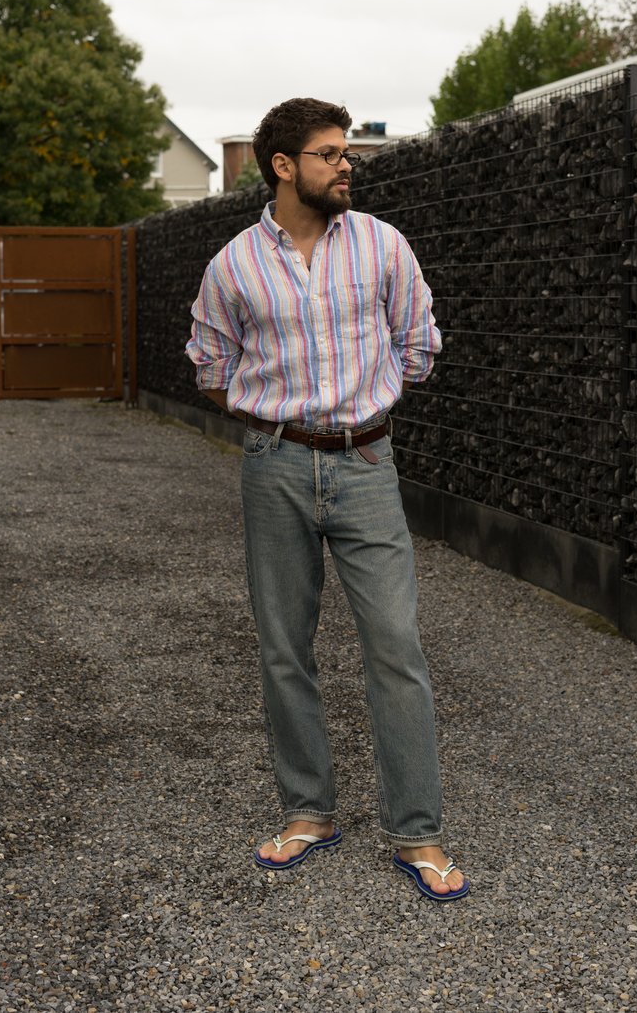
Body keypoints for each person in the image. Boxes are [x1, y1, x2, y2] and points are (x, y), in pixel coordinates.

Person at [186, 98, 468, 902]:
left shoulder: (382, 245)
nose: (347, 165)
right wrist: (274, 421)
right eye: (329, 153)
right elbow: (210, 365)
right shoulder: (233, 266)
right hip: (273, 466)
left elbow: (418, 344)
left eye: (346, 152)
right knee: (284, 647)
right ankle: (308, 812)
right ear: (283, 167)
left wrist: (366, 408)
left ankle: (417, 832)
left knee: (396, 645)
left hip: (366, 462)